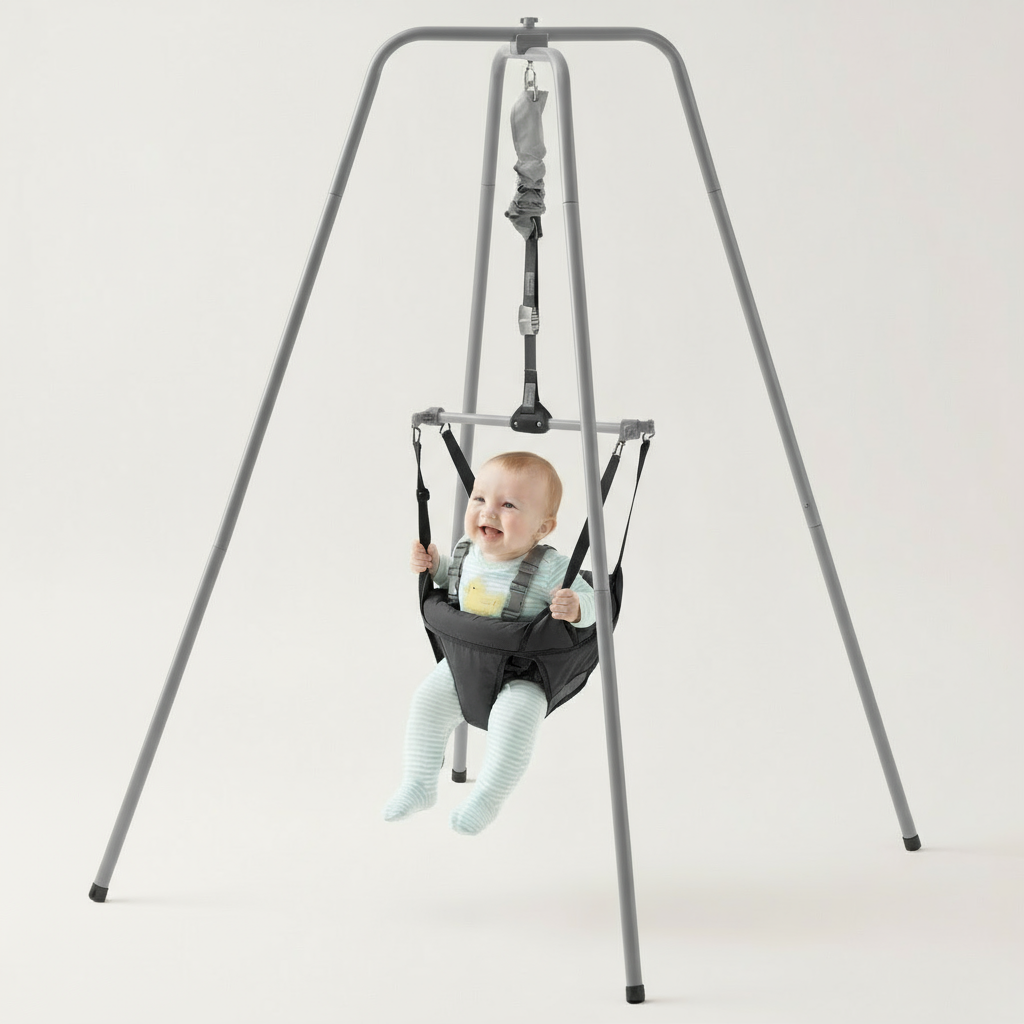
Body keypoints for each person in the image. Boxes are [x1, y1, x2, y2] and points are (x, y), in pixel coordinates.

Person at [383, 451, 596, 835]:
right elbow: (452, 581)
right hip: (465, 664)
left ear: (543, 527)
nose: (488, 511)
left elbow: (596, 603)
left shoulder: (551, 568)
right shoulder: (467, 549)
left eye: (508, 505)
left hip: (523, 674)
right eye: (479, 498)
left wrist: (577, 606)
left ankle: (487, 797)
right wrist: (433, 565)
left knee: (514, 723)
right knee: (426, 702)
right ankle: (419, 783)